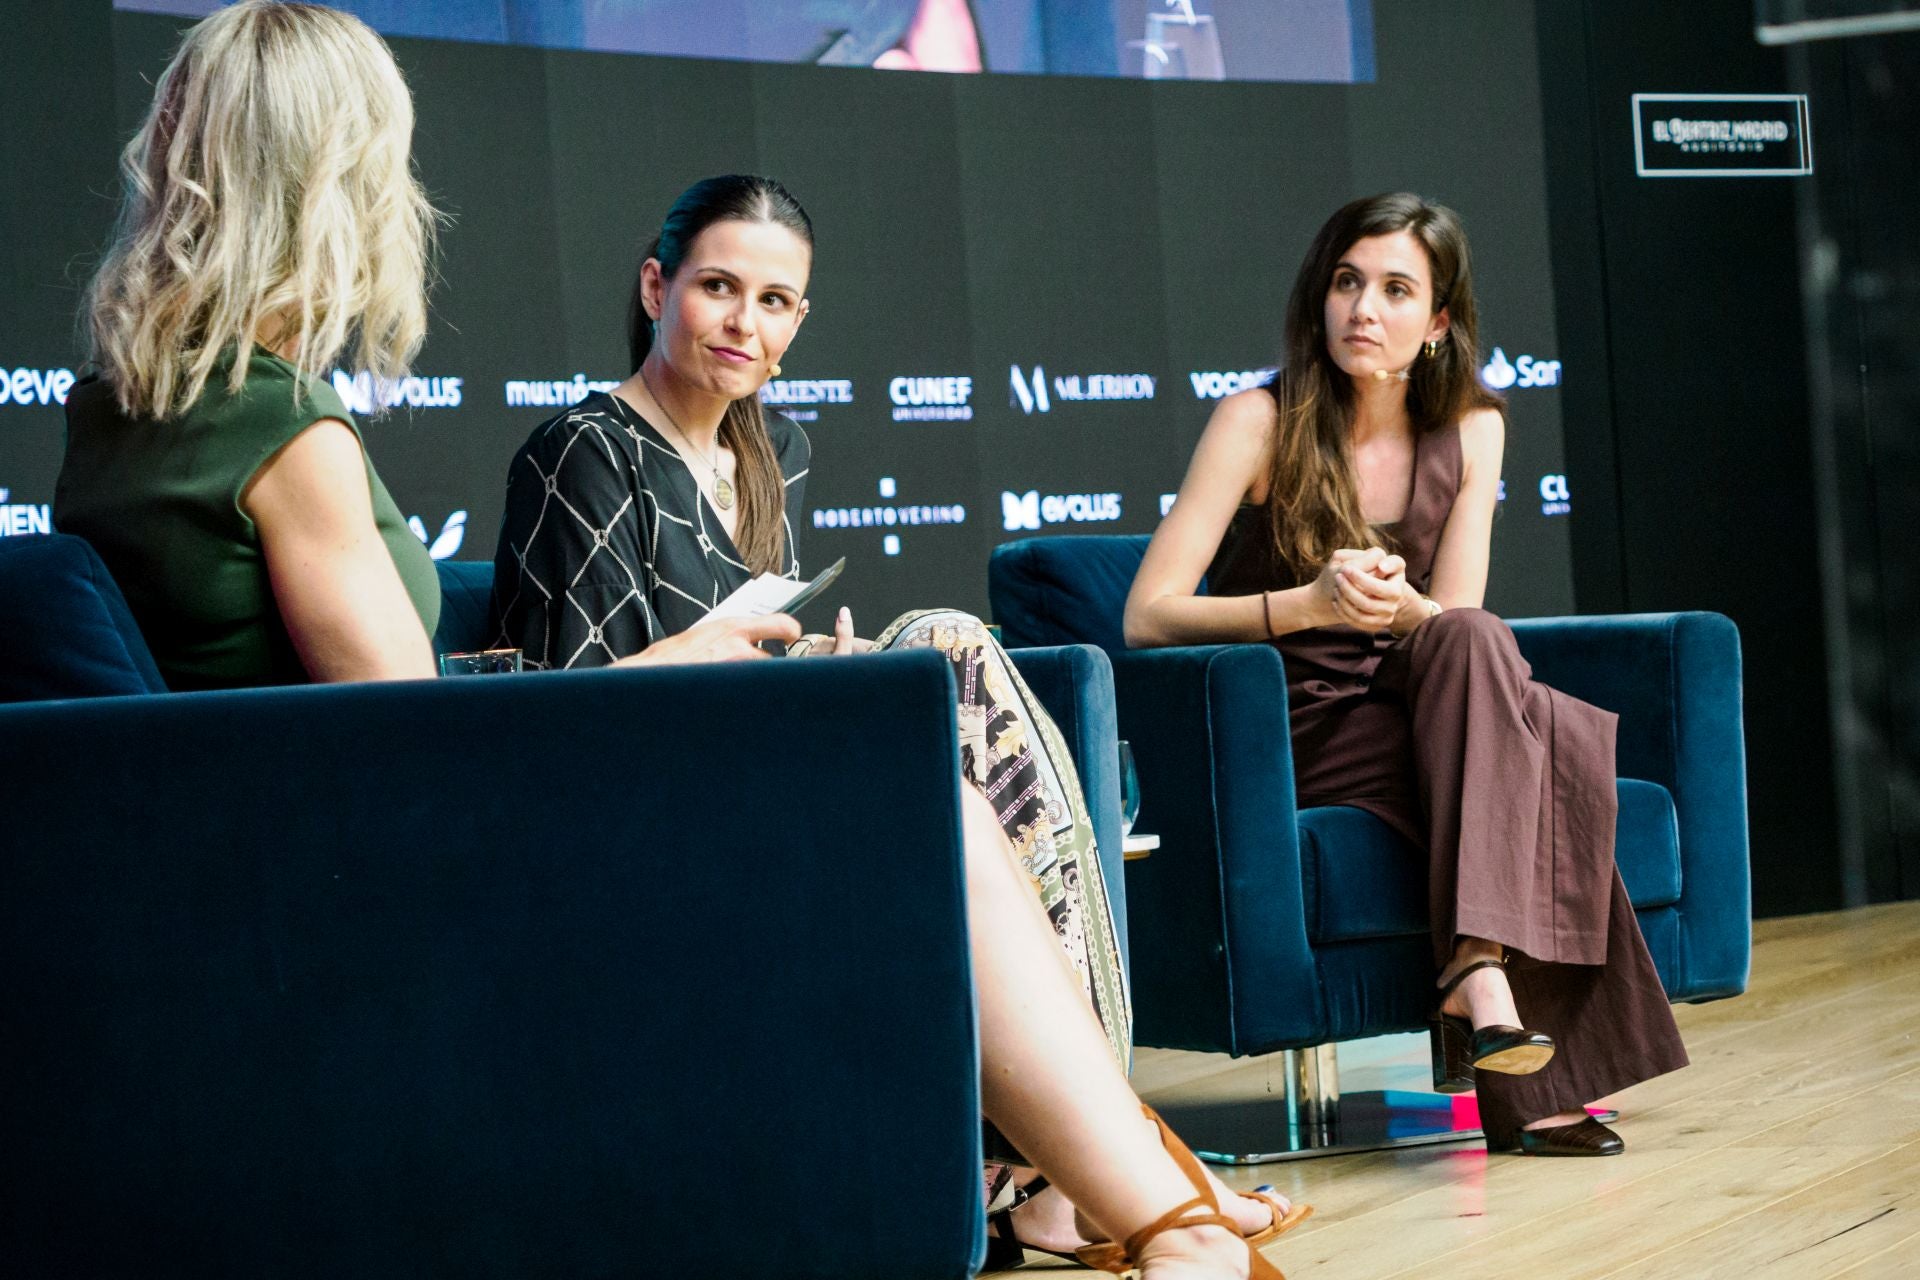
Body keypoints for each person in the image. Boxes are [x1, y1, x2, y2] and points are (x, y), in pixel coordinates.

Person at [490, 173, 1306, 1274]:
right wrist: (713, 658)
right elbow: (540, 730)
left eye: (776, 302)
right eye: (719, 287)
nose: (746, 323)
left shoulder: (759, 457)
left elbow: (738, 662)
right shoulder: (580, 450)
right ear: (655, 286)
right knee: (951, 652)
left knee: (943, 645)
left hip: (756, 777)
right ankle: (1112, 1166)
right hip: (652, 832)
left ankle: (1084, 1170)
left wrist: (821, 672)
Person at [1125, 192, 1688, 1156]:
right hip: (1290, 719)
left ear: (1436, 324)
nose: (1363, 310)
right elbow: (1148, 613)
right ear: (1320, 295)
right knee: (1532, 738)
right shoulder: (1256, 420)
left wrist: (1398, 609)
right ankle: (1524, 1063)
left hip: (1421, 697)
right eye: (1348, 282)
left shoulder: (1473, 427)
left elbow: (1455, 617)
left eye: (1394, 290)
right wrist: (1307, 604)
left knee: (1476, 649)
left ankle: (1480, 974)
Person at [57, 0, 786, 690]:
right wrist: (675, 664)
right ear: (336, 190)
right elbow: (421, 731)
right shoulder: (280, 423)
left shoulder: (107, 399)